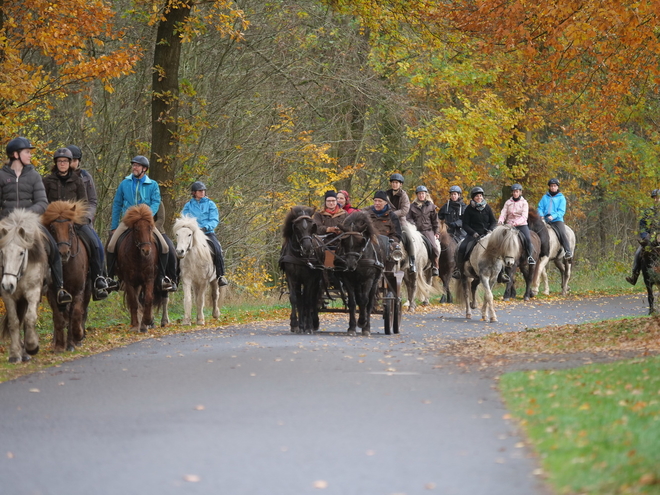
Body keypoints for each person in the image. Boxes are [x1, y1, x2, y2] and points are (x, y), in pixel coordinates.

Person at [1, 137, 72, 305]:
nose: (30, 155)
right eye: (27, 152)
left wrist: (27, 215)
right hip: (6, 225)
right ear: (15, 154)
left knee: (53, 248)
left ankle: (60, 288)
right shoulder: (1, 176)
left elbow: (42, 202)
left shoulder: (34, 176)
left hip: (30, 224)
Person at [43, 148, 112, 300]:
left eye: (65, 161)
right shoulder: (47, 181)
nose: (62, 164)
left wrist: (83, 217)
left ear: (69, 163)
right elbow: (43, 202)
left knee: (95, 242)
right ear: (56, 163)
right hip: (53, 224)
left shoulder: (78, 180)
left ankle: (99, 277)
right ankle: (39, 280)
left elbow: (85, 202)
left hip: (74, 221)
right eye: (60, 161)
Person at [106, 155, 177, 292]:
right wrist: (114, 226)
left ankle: (162, 278)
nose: (134, 167)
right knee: (110, 245)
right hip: (128, 221)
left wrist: (147, 214)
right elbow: (117, 204)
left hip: (146, 222)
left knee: (165, 247)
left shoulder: (153, 185)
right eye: (133, 165)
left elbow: (156, 201)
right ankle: (110, 278)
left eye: (137, 165)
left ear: (144, 169)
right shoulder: (124, 183)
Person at [66, 144, 119, 295]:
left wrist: (88, 216)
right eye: (69, 160)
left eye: (74, 160)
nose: (71, 163)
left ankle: (99, 279)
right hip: (61, 221)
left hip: (81, 220)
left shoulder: (85, 177)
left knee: (97, 245)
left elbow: (92, 201)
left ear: (79, 161)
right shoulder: (55, 178)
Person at [181, 181, 229, 287]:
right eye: (200, 191)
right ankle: (176, 276)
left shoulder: (210, 204)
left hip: (207, 233)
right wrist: (191, 228)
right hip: (192, 234)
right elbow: (184, 218)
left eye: (203, 190)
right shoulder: (188, 206)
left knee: (217, 249)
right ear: (194, 192)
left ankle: (221, 275)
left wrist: (205, 227)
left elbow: (214, 220)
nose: (202, 192)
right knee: (179, 249)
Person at [452, 187, 498, 279]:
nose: (479, 198)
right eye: (477, 196)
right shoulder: (469, 209)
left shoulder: (487, 207)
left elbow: (493, 221)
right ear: (473, 197)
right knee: (462, 247)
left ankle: (502, 273)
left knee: (499, 248)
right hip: (473, 235)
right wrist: (473, 233)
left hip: (487, 234)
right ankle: (459, 270)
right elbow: (465, 224)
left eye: (480, 196)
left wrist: (491, 230)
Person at [626, 189, 660, 285]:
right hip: (651, 239)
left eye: (658, 197)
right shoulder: (648, 212)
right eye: (655, 198)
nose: (656, 199)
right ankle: (634, 276)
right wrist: (645, 237)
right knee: (638, 253)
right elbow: (642, 227)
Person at [498, 184, 536, 265]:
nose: (515, 193)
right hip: (509, 225)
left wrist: (515, 223)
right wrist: (500, 221)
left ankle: (529, 256)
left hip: (521, 225)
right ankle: (498, 256)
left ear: (520, 192)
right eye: (514, 192)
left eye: (517, 192)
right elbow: (503, 213)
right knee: (500, 238)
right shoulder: (508, 202)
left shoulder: (524, 203)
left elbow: (524, 216)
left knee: (528, 239)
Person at [406, 185, 440, 276]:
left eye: (423, 193)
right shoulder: (412, 207)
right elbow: (408, 218)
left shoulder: (431, 207)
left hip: (427, 230)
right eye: (419, 194)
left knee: (434, 247)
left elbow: (435, 221)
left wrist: (436, 232)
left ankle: (435, 265)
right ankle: (411, 264)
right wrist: (413, 224)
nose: (421, 195)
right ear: (417, 195)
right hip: (415, 231)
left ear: (426, 194)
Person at [537, 178, 572, 260]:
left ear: (557, 187)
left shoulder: (561, 198)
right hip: (545, 219)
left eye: (554, 186)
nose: (553, 187)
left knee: (562, 233)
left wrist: (553, 216)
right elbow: (540, 207)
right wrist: (541, 215)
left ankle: (568, 251)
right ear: (549, 187)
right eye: (551, 186)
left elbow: (561, 211)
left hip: (556, 220)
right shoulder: (545, 197)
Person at [363, 190, 403, 261]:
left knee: (394, 247)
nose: (377, 203)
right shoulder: (367, 215)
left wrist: (390, 241)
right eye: (375, 201)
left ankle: (388, 271)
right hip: (369, 242)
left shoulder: (392, 216)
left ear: (386, 202)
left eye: (380, 201)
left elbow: (397, 234)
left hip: (386, 243)